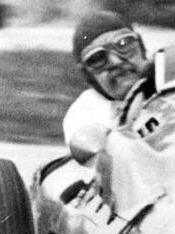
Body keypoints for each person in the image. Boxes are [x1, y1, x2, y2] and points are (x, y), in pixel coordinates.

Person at [63, 10, 152, 147]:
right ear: (88, 75)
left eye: (124, 44)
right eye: (97, 58)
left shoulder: (171, 75)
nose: (116, 61)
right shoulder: (85, 116)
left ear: (141, 46)